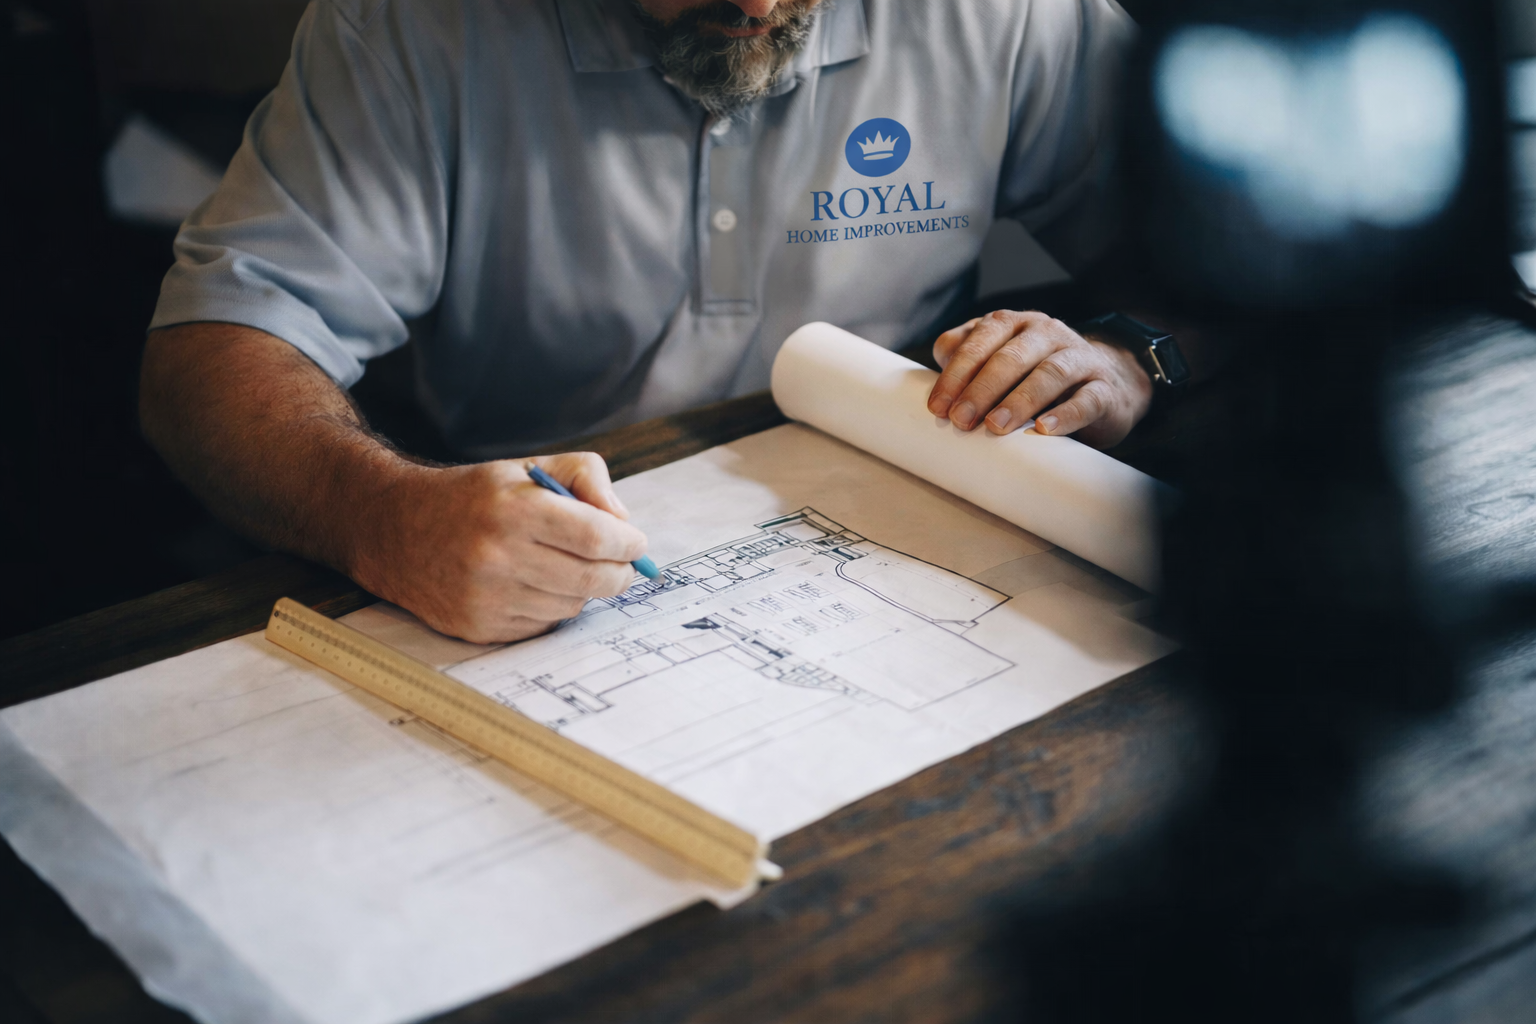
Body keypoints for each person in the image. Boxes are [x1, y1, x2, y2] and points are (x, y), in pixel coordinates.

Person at [140, 0, 1152, 643]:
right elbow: (213, 348)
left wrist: (1129, 358)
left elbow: (1233, 252)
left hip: (910, 556)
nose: (758, 5)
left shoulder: (1009, 15)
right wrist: (384, 518)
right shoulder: (409, 28)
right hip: (521, 554)